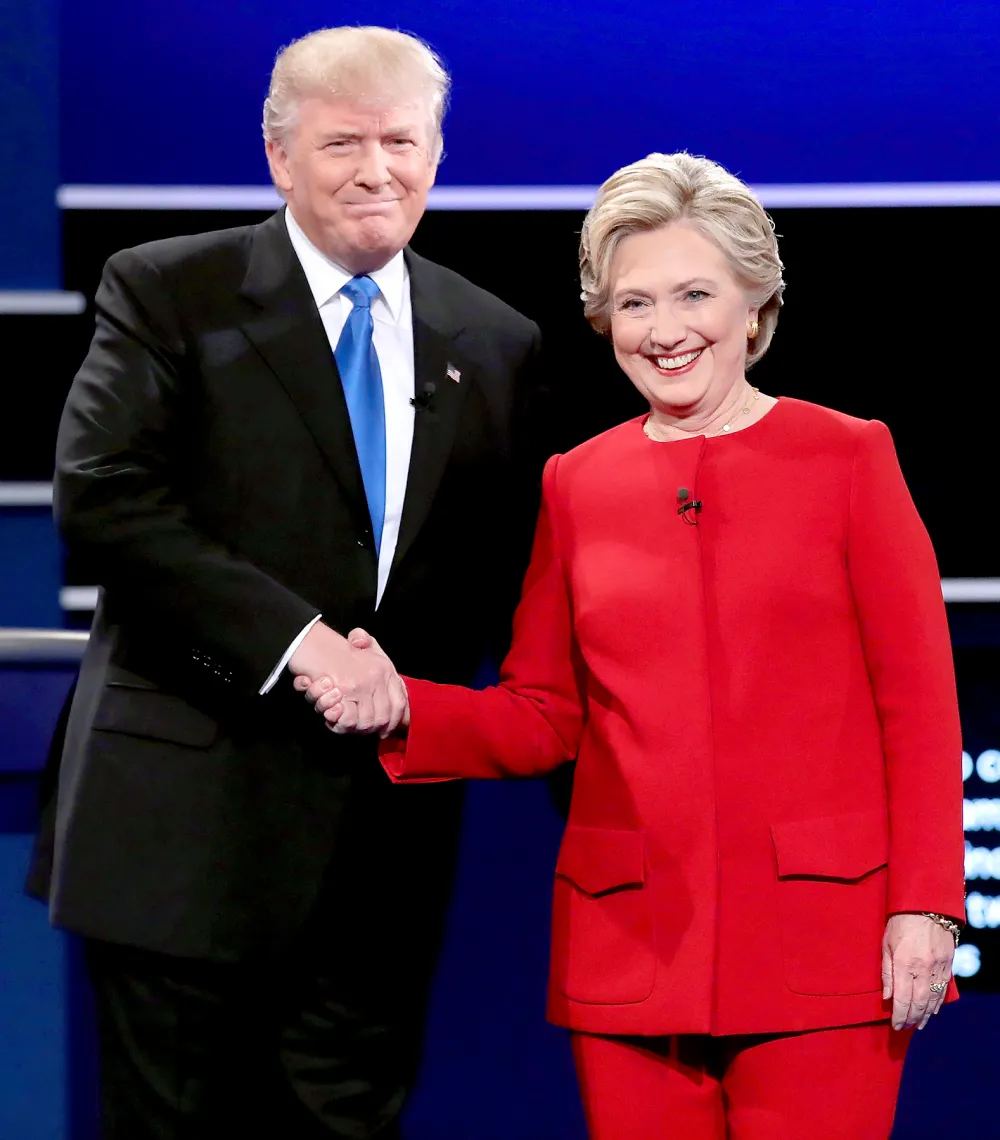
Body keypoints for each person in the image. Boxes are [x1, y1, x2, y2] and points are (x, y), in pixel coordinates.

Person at [298, 152, 966, 1139]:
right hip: (631, 945)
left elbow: (918, 709)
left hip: (823, 944)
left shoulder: (847, 456)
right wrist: (407, 705)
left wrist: (926, 907)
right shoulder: (577, 482)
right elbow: (543, 714)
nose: (665, 331)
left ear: (756, 303)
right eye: (634, 303)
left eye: (694, 294)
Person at [27, 26, 545, 1139]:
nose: (376, 169)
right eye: (342, 141)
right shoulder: (170, 290)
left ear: (437, 154)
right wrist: (299, 642)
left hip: (381, 844)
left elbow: (513, 577)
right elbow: (105, 497)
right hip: (183, 824)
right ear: (278, 157)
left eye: (401, 141)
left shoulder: (494, 340)